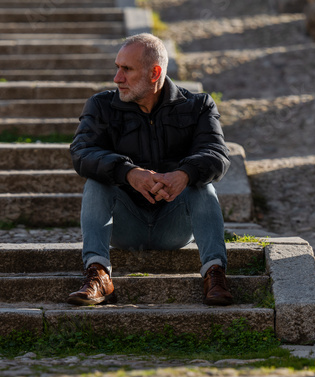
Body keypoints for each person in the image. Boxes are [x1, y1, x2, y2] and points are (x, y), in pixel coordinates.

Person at [68, 33, 233, 307]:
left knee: (202, 183)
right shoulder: (101, 106)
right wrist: (129, 172)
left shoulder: (199, 106)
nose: (117, 78)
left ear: (155, 72)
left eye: (127, 69)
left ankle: (214, 274)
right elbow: (82, 153)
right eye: (117, 67)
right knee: (96, 182)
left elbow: (217, 154)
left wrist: (183, 175)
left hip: (175, 225)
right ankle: (98, 274)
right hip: (124, 225)